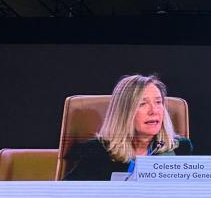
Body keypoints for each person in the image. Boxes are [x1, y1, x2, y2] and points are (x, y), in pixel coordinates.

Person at [63, 74, 192, 180]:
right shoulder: (96, 153)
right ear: (124, 112)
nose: (154, 110)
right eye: (142, 104)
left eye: (158, 102)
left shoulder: (180, 149)